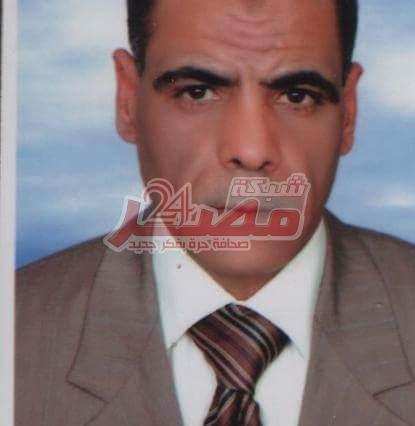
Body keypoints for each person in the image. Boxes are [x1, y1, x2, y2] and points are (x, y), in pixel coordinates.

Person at [16, 0, 415, 425]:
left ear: (349, 111)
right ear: (128, 99)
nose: (251, 150)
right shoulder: (18, 329)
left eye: (296, 96)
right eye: (198, 92)